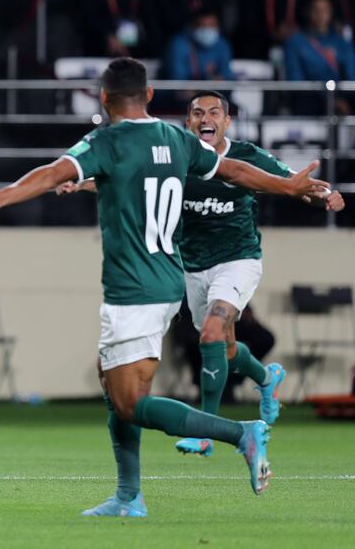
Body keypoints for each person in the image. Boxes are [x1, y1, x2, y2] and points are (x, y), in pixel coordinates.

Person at [0, 57, 329, 515]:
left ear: (104, 98)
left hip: (135, 287)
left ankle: (237, 435)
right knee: (111, 382)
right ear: (149, 95)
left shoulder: (107, 141)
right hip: (170, 277)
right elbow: (234, 171)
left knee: (130, 402)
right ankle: (128, 496)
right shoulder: (176, 139)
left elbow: (54, 173)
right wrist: (288, 187)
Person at [60, 90, 345, 456]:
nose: (205, 118)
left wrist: (326, 195)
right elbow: (131, 180)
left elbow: (292, 182)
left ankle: (206, 431)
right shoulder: (180, 155)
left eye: (214, 112)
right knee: (221, 347)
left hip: (238, 259)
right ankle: (265, 376)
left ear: (227, 122)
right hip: (191, 265)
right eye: (197, 113)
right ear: (189, 122)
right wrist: (80, 182)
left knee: (211, 332)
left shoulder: (247, 157)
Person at [284, 0, 355, 115]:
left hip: (340, 95)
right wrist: (329, 101)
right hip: (311, 97)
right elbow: (296, 80)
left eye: (325, 10)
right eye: (316, 10)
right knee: (304, 101)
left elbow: (351, 75)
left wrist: (341, 98)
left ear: (331, 13)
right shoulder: (295, 41)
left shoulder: (341, 42)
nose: (320, 14)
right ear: (308, 12)